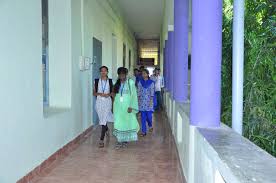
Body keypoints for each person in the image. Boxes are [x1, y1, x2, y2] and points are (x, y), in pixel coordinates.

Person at [113, 67, 140, 149]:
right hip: (118, 107)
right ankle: (119, 140)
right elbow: (114, 94)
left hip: (127, 107)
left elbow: (134, 96)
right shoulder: (116, 83)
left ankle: (125, 140)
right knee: (118, 123)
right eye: (120, 74)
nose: (121, 76)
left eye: (123, 74)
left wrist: (132, 106)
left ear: (126, 74)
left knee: (127, 123)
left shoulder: (130, 82)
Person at [93, 66, 114, 148]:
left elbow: (112, 93)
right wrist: (99, 94)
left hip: (107, 101)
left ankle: (101, 140)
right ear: (100, 72)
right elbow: (94, 93)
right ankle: (106, 129)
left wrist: (108, 94)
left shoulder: (110, 81)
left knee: (104, 119)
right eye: (101, 71)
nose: (103, 72)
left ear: (107, 72)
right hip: (99, 102)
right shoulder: (96, 81)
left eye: (105, 71)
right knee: (102, 119)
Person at [138, 69, 155, 136]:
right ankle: (143, 131)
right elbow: (139, 91)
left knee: (149, 117)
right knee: (143, 117)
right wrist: (138, 100)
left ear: (148, 74)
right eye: (142, 74)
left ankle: (150, 125)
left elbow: (152, 93)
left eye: (145, 73)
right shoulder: (140, 82)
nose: (143, 75)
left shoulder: (151, 82)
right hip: (142, 102)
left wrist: (151, 101)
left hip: (149, 102)